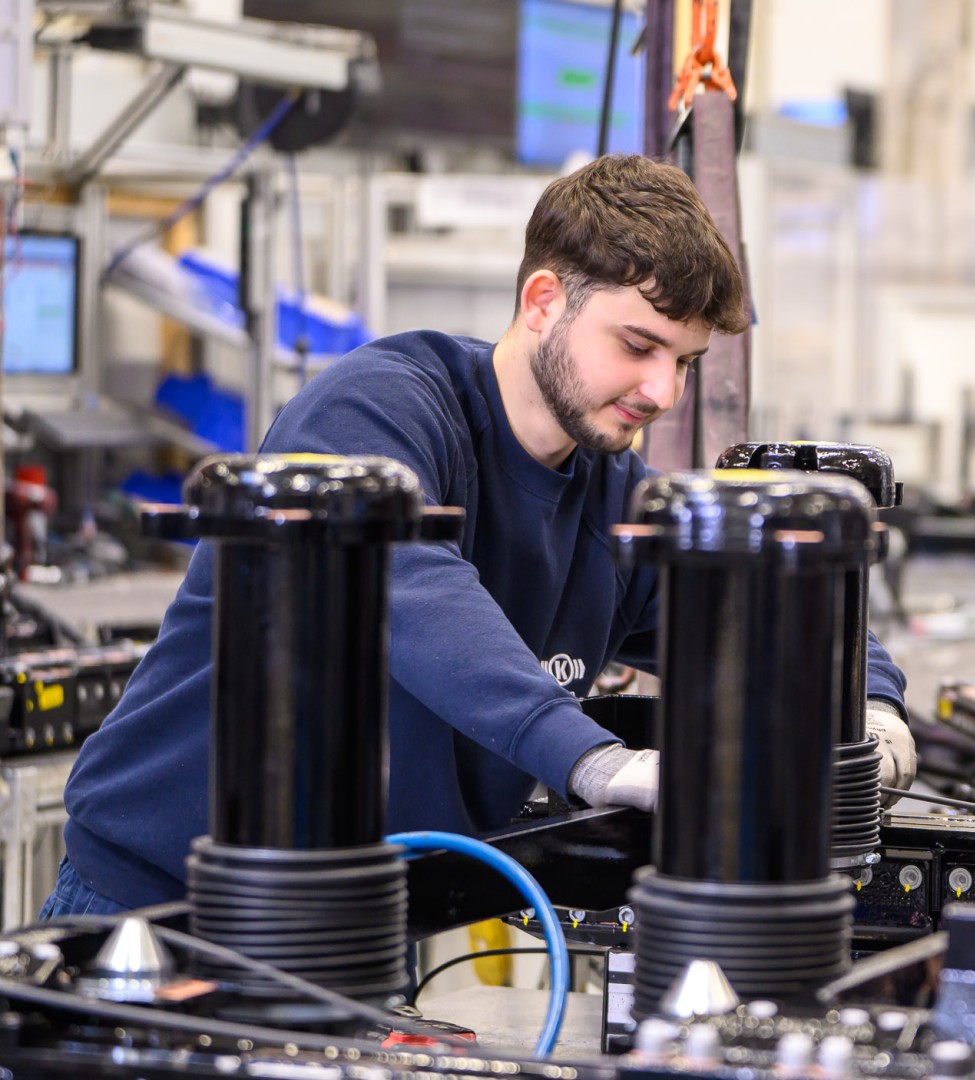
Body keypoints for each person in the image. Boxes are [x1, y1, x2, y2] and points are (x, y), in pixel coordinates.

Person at [45, 154, 914, 918]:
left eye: (682, 362)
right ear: (544, 301)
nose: (662, 393)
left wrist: (867, 697)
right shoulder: (380, 409)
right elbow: (410, 587)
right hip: (157, 901)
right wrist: (593, 760)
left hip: (363, 914)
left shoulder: (614, 495)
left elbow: (753, 603)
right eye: (638, 345)